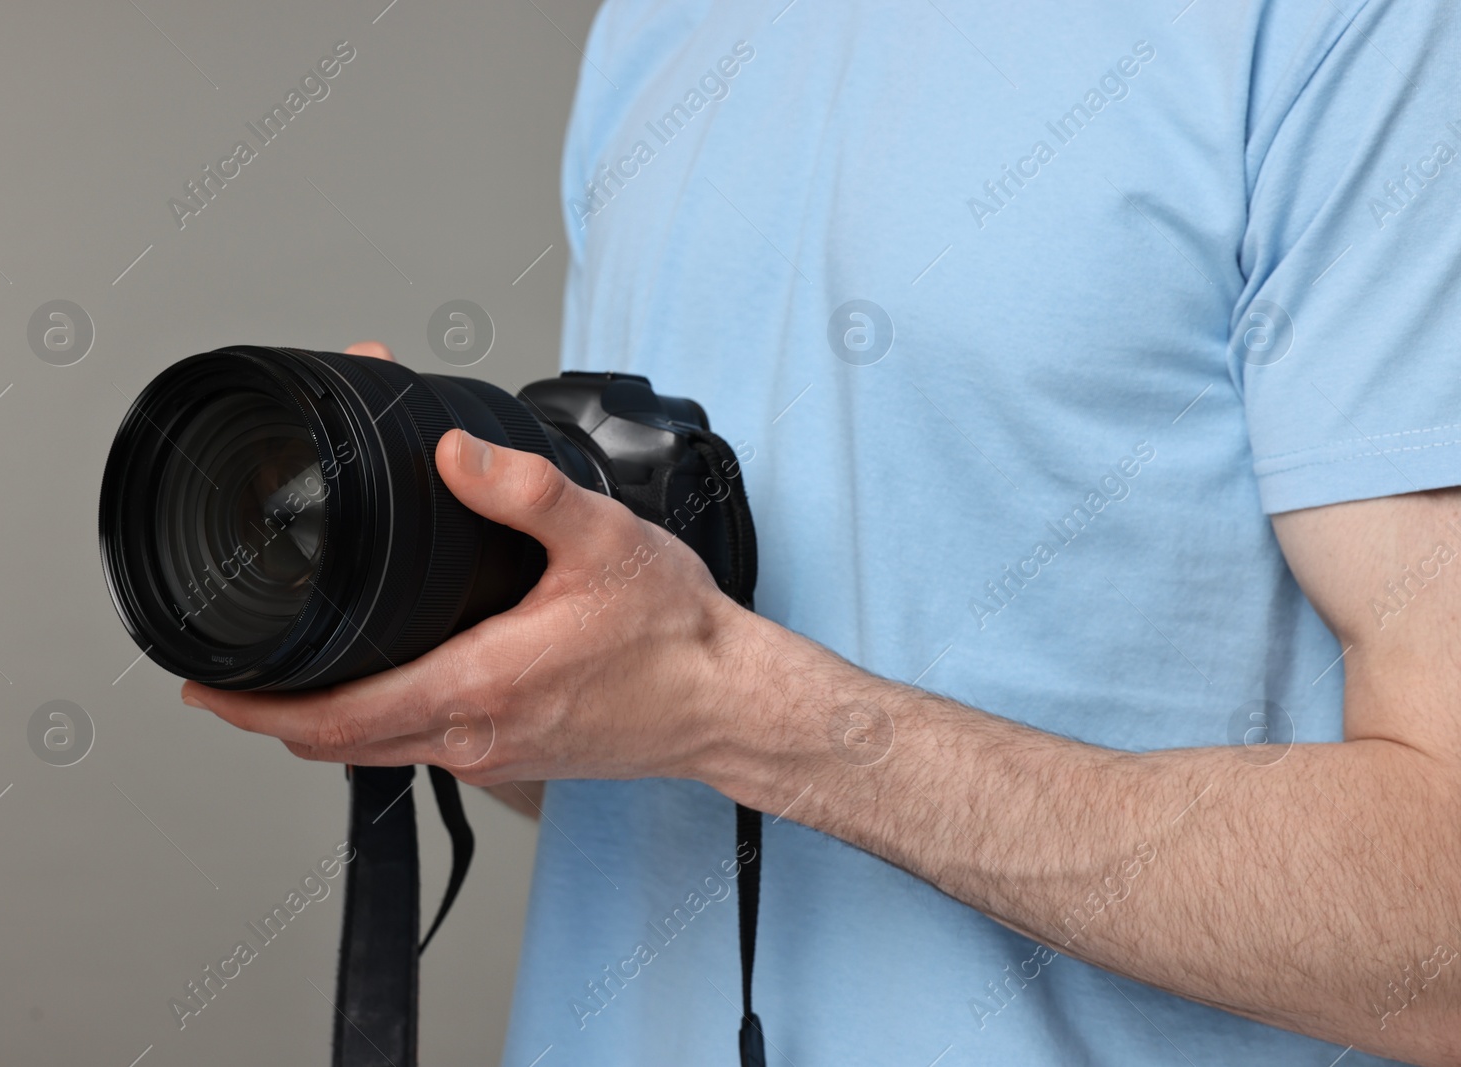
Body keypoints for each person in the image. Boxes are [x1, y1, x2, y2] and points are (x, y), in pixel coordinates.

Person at [180, 0, 1461, 1063]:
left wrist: (742, 712)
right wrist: (458, 617)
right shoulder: (653, 28)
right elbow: (638, 749)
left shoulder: (1347, 29)